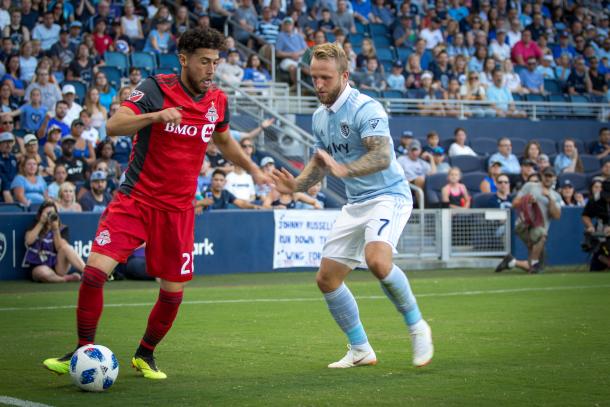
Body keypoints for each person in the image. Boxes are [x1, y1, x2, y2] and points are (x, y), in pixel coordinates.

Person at [43, 27, 269, 380]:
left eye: (216, 62)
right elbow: (115, 125)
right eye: (204, 62)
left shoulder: (217, 101)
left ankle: (145, 354)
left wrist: (254, 169)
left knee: (173, 294)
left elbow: (224, 141)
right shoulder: (155, 88)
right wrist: (155, 116)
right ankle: (82, 350)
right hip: (135, 200)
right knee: (92, 274)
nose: (211, 70)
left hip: (178, 211)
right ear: (183, 59)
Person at [271, 43, 433, 369]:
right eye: (314, 77)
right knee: (327, 279)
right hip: (356, 203)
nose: (318, 85)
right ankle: (360, 349)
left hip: (389, 195)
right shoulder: (320, 117)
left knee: (377, 260)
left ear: (344, 76)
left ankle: (418, 326)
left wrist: (346, 169)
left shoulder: (366, 109)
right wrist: (294, 186)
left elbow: (382, 155)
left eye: (325, 78)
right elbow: (320, 162)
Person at [496, 167, 562, 274]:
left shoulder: (556, 196)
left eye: (550, 176)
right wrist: (526, 199)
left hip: (540, 227)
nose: (547, 178)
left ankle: (512, 262)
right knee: (542, 235)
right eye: (546, 175)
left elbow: (557, 216)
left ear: (555, 178)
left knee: (539, 267)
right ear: (542, 175)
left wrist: (550, 199)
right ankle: (534, 263)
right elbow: (514, 203)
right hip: (524, 224)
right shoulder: (530, 186)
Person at [23, 201, 84, 283]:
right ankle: (65, 279)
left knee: (67, 248)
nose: (49, 215)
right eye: (47, 213)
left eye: (52, 213)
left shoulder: (62, 228)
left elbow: (60, 248)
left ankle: (90, 272)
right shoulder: (34, 225)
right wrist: (41, 223)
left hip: (58, 266)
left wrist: (55, 229)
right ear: (41, 214)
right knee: (42, 272)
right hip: (39, 266)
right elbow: (29, 241)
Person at [195, 168, 261, 210]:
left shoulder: (226, 193)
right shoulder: (205, 193)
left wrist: (254, 207)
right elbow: (193, 203)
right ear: (211, 181)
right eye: (216, 180)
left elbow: (241, 203)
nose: (218, 182)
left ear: (225, 182)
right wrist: (199, 205)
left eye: (221, 180)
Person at [582, 179, 610, 271]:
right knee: (594, 271)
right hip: (602, 235)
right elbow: (586, 215)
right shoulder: (595, 199)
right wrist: (590, 226)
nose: (608, 198)